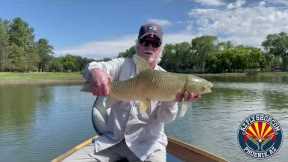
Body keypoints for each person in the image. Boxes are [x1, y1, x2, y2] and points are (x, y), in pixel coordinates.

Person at [83, 23, 200, 162]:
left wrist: (173, 99)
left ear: (160, 49)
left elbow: (165, 118)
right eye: (145, 42)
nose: (149, 46)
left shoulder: (166, 78)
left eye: (155, 43)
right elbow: (94, 66)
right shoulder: (121, 64)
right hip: (111, 141)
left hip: (148, 147)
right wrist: (96, 72)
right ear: (137, 45)